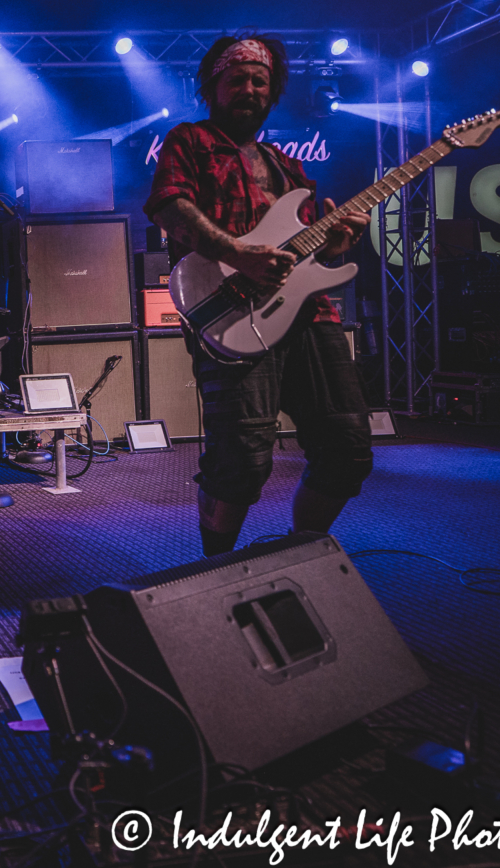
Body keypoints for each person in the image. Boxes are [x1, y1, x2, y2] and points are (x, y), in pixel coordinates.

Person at [143, 36, 372, 557]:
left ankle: (302, 554)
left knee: (348, 449)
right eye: (237, 79)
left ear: (273, 92)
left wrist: (332, 243)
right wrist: (239, 254)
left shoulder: (288, 166)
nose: (249, 89)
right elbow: (168, 206)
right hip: (230, 308)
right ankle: (216, 566)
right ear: (213, 87)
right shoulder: (190, 141)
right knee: (243, 460)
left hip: (309, 314)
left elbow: (310, 256)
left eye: (260, 81)